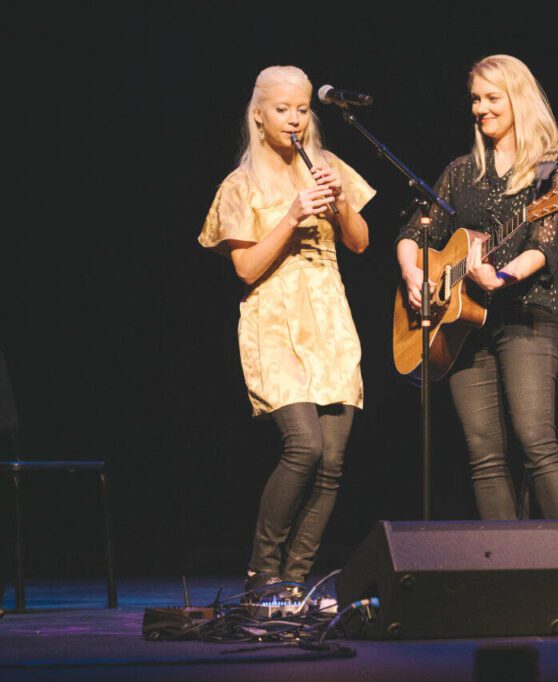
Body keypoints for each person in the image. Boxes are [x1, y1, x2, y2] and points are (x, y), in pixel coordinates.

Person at [198, 65, 375, 594]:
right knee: (304, 446)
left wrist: (339, 200)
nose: (294, 119)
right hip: (273, 320)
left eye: (302, 109)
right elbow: (246, 269)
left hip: (330, 320)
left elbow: (360, 242)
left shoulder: (327, 165)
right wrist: (293, 214)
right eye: (282, 109)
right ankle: (262, 573)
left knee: (334, 459)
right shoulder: (240, 184)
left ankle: (294, 583)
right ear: (259, 114)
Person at [395, 55, 558, 534]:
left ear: (518, 99)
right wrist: (415, 275)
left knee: (535, 440)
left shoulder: (548, 173)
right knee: (484, 454)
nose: (481, 108)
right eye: (476, 99)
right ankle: (508, 573)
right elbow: (414, 233)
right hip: (462, 329)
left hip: (527, 317)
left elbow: (543, 246)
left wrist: (503, 277)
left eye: (492, 98)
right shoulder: (460, 172)